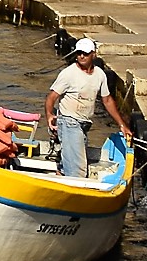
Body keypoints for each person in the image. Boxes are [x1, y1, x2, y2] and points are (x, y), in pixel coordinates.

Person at [43, 38, 131, 178]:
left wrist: (122, 125)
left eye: (85, 53)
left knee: (72, 160)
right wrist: (49, 114)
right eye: (79, 53)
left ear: (93, 55)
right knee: (78, 170)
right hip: (69, 121)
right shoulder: (68, 74)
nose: (81, 56)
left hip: (84, 123)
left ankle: (62, 173)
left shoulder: (100, 75)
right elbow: (51, 97)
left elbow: (107, 100)